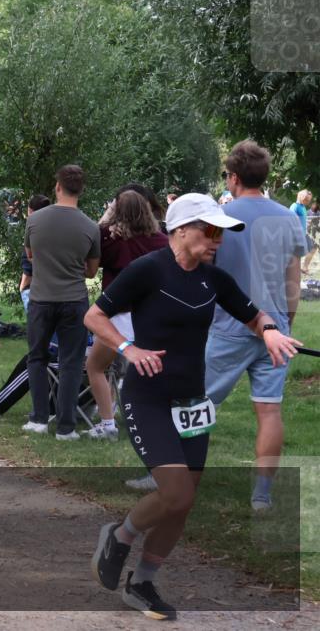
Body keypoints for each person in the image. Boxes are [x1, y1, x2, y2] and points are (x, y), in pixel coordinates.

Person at [86, 192, 299, 621]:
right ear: (180, 230)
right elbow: (95, 316)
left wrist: (271, 330)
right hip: (148, 398)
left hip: (192, 401)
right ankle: (120, 536)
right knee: (175, 491)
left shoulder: (212, 278)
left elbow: (253, 314)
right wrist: (128, 348)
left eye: (221, 232)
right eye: (210, 230)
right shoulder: (147, 271)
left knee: (183, 502)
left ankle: (143, 582)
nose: (217, 239)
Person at [205, 141, 306, 511]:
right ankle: (261, 495)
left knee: (196, 404)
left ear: (233, 177)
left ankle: (167, 476)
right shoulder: (288, 217)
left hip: (230, 324)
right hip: (275, 328)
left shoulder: (219, 216)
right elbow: (292, 274)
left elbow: (206, 268)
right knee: (269, 410)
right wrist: (285, 323)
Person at [24, 165, 100, 440]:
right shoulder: (91, 227)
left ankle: (39, 419)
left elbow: (31, 256)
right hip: (74, 300)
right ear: (81, 190)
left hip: (41, 298)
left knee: (37, 357)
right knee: (71, 361)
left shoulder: (35, 221)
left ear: (57, 187)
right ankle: (66, 427)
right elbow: (91, 271)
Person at [85, 189, 168, 440]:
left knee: (96, 366)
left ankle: (108, 422)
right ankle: (155, 420)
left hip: (117, 315)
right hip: (150, 315)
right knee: (149, 373)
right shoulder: (161, 240)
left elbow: (92, 258)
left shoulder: (107, 237)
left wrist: (105, 218)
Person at [18, 195, 51, 313]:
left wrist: (22, 288)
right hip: (52, 288)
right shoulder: (53, 229)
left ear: (30, 210)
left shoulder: (33, 230)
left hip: (34, 290)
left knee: (40, 328)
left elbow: (30, 263)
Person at [289, 189, 313, 274]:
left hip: (303, 234)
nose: (308, 202)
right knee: (295, 255)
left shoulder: (303, 207)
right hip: (296, 235)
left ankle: (303, 268)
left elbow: (302, 219)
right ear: (301, 197)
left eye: (309, 200)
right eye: (306, 199)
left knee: (312, 247)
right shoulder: (295, 206)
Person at [304, 201, 319, 274]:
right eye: (314, 204)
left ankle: (305, 267)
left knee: (313, 250)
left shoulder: (319, 213)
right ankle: (305, 267)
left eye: (316, 204)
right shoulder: (306, 213)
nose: (315, 205)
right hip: (310, 235)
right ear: (311, 204)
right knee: (311, 250)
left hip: (317, 234)